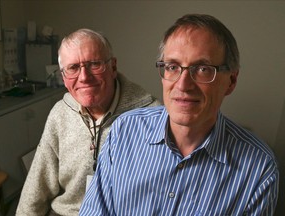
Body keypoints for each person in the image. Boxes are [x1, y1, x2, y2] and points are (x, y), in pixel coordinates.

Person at [80, 14, 279, 215]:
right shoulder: (124, 131)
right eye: (173, 67)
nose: (183, 85)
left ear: (231, 81)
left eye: (202, 69)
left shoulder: (259, 168)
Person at [16, 28, 160, 216]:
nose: (84, 77)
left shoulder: (152, 116)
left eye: (94, 64)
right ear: (63, 76)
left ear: (113, 67)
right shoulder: (60, 114)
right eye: (73, 68)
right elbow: (36, 189)